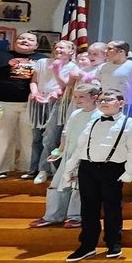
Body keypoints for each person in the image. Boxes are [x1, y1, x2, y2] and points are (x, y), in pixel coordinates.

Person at [63, 89, 132, 261]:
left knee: (112, 207)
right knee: (88, 208)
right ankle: (87, 245)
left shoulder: (130, 123)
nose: (104, 102)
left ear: (121, 103)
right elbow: (81, 146)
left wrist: (130, 172)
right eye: (101, 100)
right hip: (87, 168)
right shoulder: (93, 122)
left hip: (112, 169)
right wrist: (70, 168)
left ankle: (113, 243)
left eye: (109, 99)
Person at [29, 82, 102, 229]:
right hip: (69, 155)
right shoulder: (75, 114)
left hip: (86, 157)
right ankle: (53, 215)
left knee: (79, 186)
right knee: (58, 184)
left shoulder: (99, 116)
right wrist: (59, 151)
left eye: (82, 96)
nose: (77, 100)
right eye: (75, 97)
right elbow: (66, 134)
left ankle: (76, 216)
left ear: (94, 97)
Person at [0, 31, 45, 179]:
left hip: (32, 105)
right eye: (21, 38)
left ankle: (31, 170)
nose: (25, 41)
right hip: (0, 103)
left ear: (36, 45)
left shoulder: (43, 60)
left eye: (30, 40)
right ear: (15, 42)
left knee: (32, 138)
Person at [28, 39, 77, 183]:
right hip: (39, 102)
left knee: (50, 137)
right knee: (37, 137)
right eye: (56, 47)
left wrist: (56, 74)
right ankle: (34, 168)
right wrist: (35, 92)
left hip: (57, 103)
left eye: (62, 48)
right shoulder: (43, 62)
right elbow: (34, 81)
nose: (58, 50)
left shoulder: (72, 66)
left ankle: (45, 169)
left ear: (71, 51)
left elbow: (66, 85)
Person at [99, 41, 132, 119]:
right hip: (106, 102)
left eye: (110, 49)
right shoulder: (103, 67)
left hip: (127, 104)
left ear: (121, 52)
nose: (106, 51)